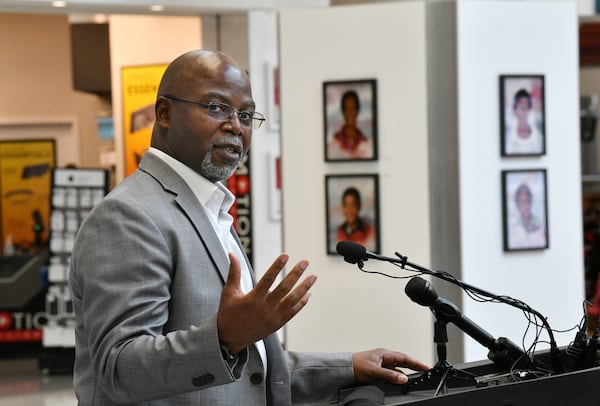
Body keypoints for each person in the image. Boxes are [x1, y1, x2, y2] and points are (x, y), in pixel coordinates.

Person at [69, 49, 429, 405]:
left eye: (245, 114)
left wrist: (349, 367)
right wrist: (223, 337)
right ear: (164, 113)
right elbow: (118, 368)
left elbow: (254, 373)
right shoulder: (128, 215)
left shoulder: (211, 209)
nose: (235, 126)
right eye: (216, 108)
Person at [327, 90, 373, 160]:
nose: (350, 112)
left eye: (353, 108)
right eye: (347, 109)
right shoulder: (335, 141)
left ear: (357, 110)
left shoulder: (365, 142)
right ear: (343, 111)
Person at [504, 88, 544, 155]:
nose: (524, 106)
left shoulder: (539, 138)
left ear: (530, 108)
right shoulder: (507, 138)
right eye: (520, 104)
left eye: (526, 104)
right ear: (514, 110)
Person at [508, 183, 546, 249]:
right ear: (517, 205)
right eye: (521, 202)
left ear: (531, 202)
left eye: (527, 201)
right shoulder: (512, 228)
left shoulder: (541, 224)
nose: (525, 205)